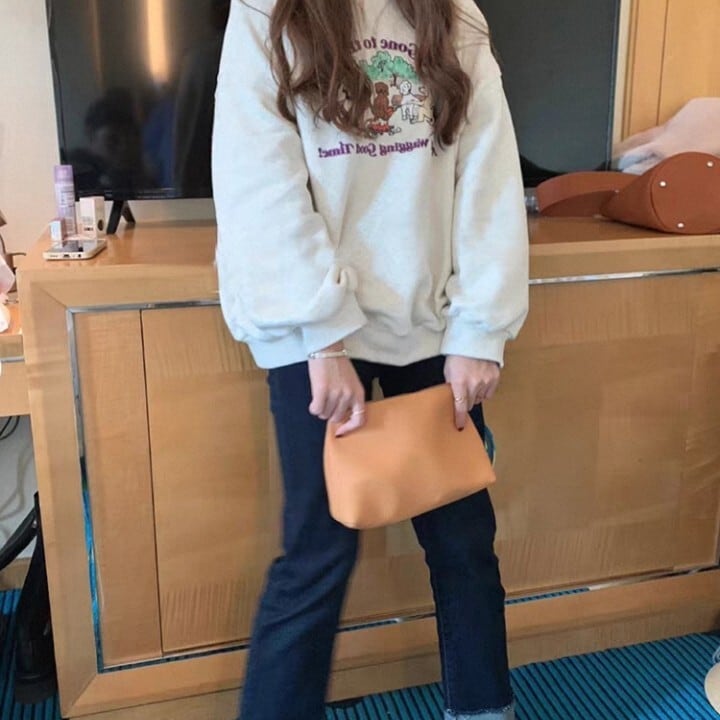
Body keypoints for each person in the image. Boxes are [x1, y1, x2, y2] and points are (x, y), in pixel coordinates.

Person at [211, 0, 529, 718]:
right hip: (317, 335)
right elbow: (256, 176)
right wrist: (321, 337)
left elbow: (488, 171)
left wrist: (480, 331)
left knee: (464, 544)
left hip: (432, 323)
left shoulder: (453, 14)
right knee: (318, 554)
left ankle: (484, 709)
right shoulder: (265, 11)